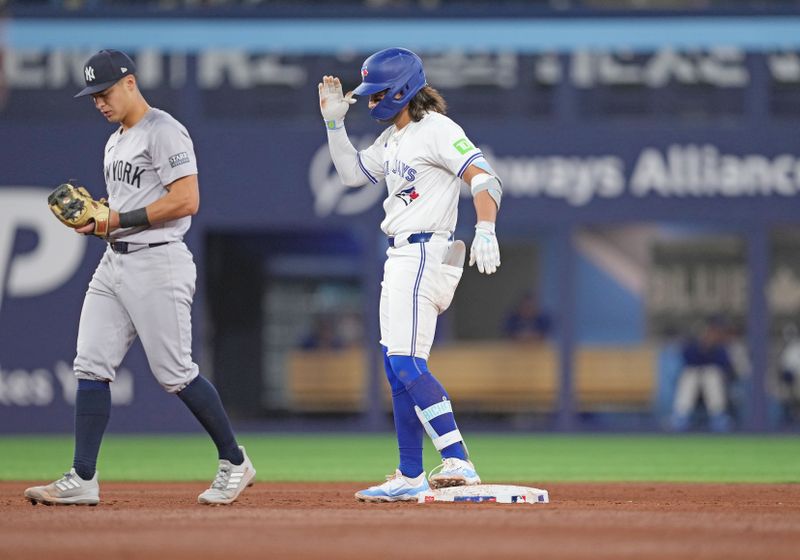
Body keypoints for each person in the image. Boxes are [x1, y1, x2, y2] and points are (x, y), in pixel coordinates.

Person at [24, 50, 255, 506]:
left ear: (129, 82)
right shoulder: (115, 141)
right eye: (92, 97)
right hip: (114, 262)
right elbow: (122, 208)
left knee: (174, 373)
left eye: (104, 92)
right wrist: (99, 221)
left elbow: (187, 199)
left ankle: (234, 461)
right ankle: (83, 477)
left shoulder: (164, 130)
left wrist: (116, 218)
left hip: (159, 261)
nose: (99, 103)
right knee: (90, 363)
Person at [318, 47, 503, 502]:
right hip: (401, 255)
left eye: (376, 93)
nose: (369, 101)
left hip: (424, 251)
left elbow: (485, 178)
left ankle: (458, 457)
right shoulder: (393, 139)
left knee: (404, 363)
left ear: (401, 89)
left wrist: (485, 228)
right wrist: (334, 124)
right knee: (395, 365)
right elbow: (350, 174)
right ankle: (410, 474)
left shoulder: (436, 129)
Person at [670, 317, 736, 432]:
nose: (711, 335)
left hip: (715, 385)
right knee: (691, 374)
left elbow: (726, 368)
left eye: (714, 332)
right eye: (710, 332)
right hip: (695, 387)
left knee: (711, 374)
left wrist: (710, 350)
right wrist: (703, 349)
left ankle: (718, 416)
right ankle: (681, 416)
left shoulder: (720, 348)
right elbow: (687, 361)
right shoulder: (692, 345)